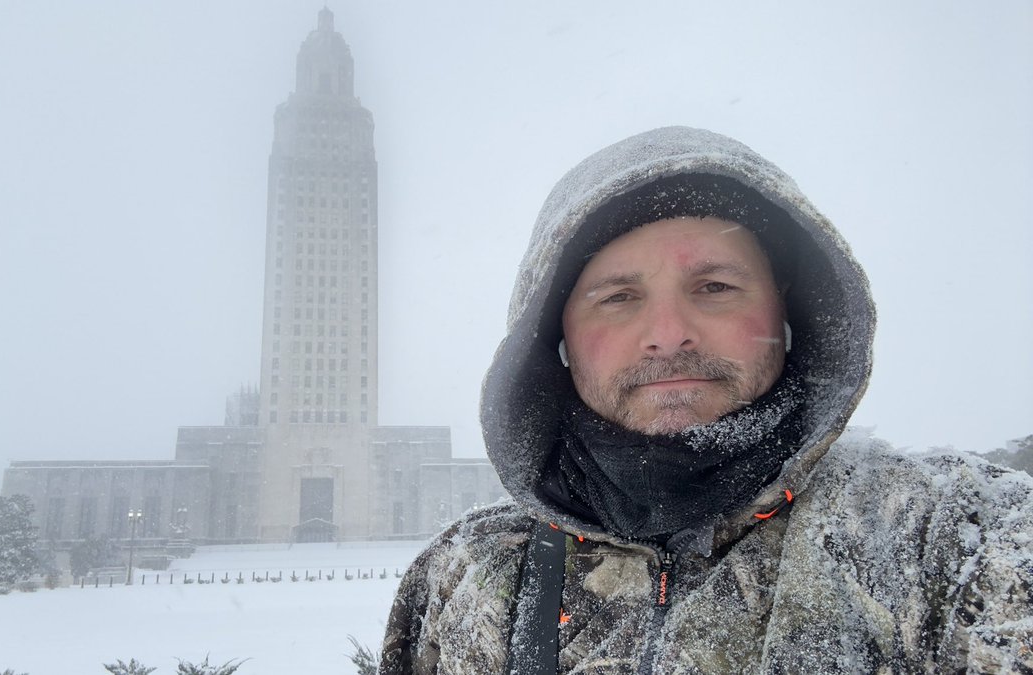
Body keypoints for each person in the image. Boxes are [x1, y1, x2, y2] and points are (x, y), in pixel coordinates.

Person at [379, 127, 1033, 673]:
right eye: (619, 296)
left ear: (786, 312)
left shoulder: (946, 538)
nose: (668, 334)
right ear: (557, 340)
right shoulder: (461, 577)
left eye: (715, 286)